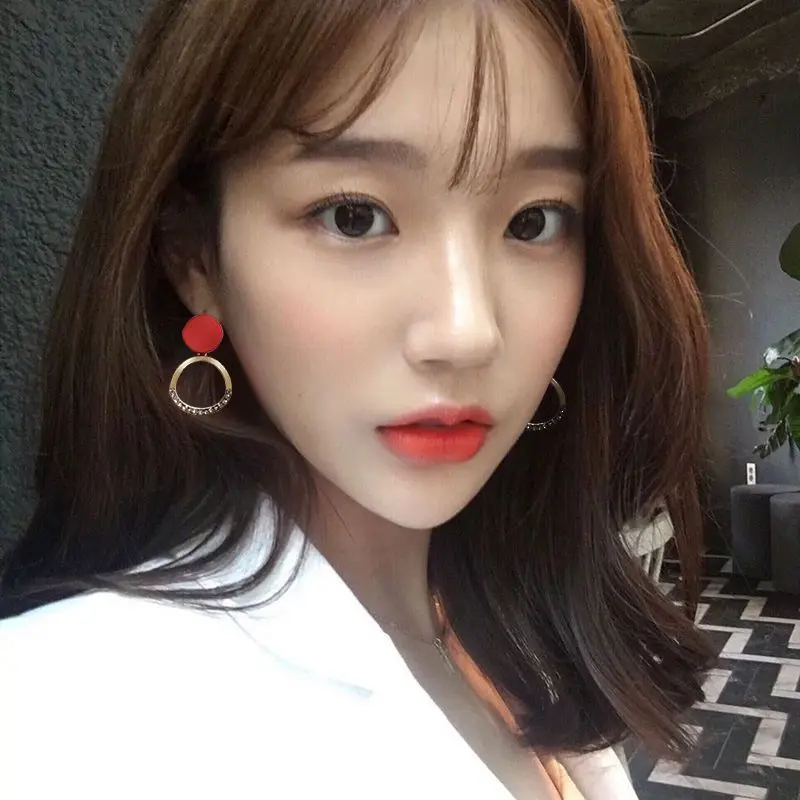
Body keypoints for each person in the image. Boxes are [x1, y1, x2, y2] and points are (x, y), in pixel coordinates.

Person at [0, 0, 717, 797]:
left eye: (533, 220)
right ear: (193, 257)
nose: (466, 331)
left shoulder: (507, 627)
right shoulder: (56, 717)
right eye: (355, 216)